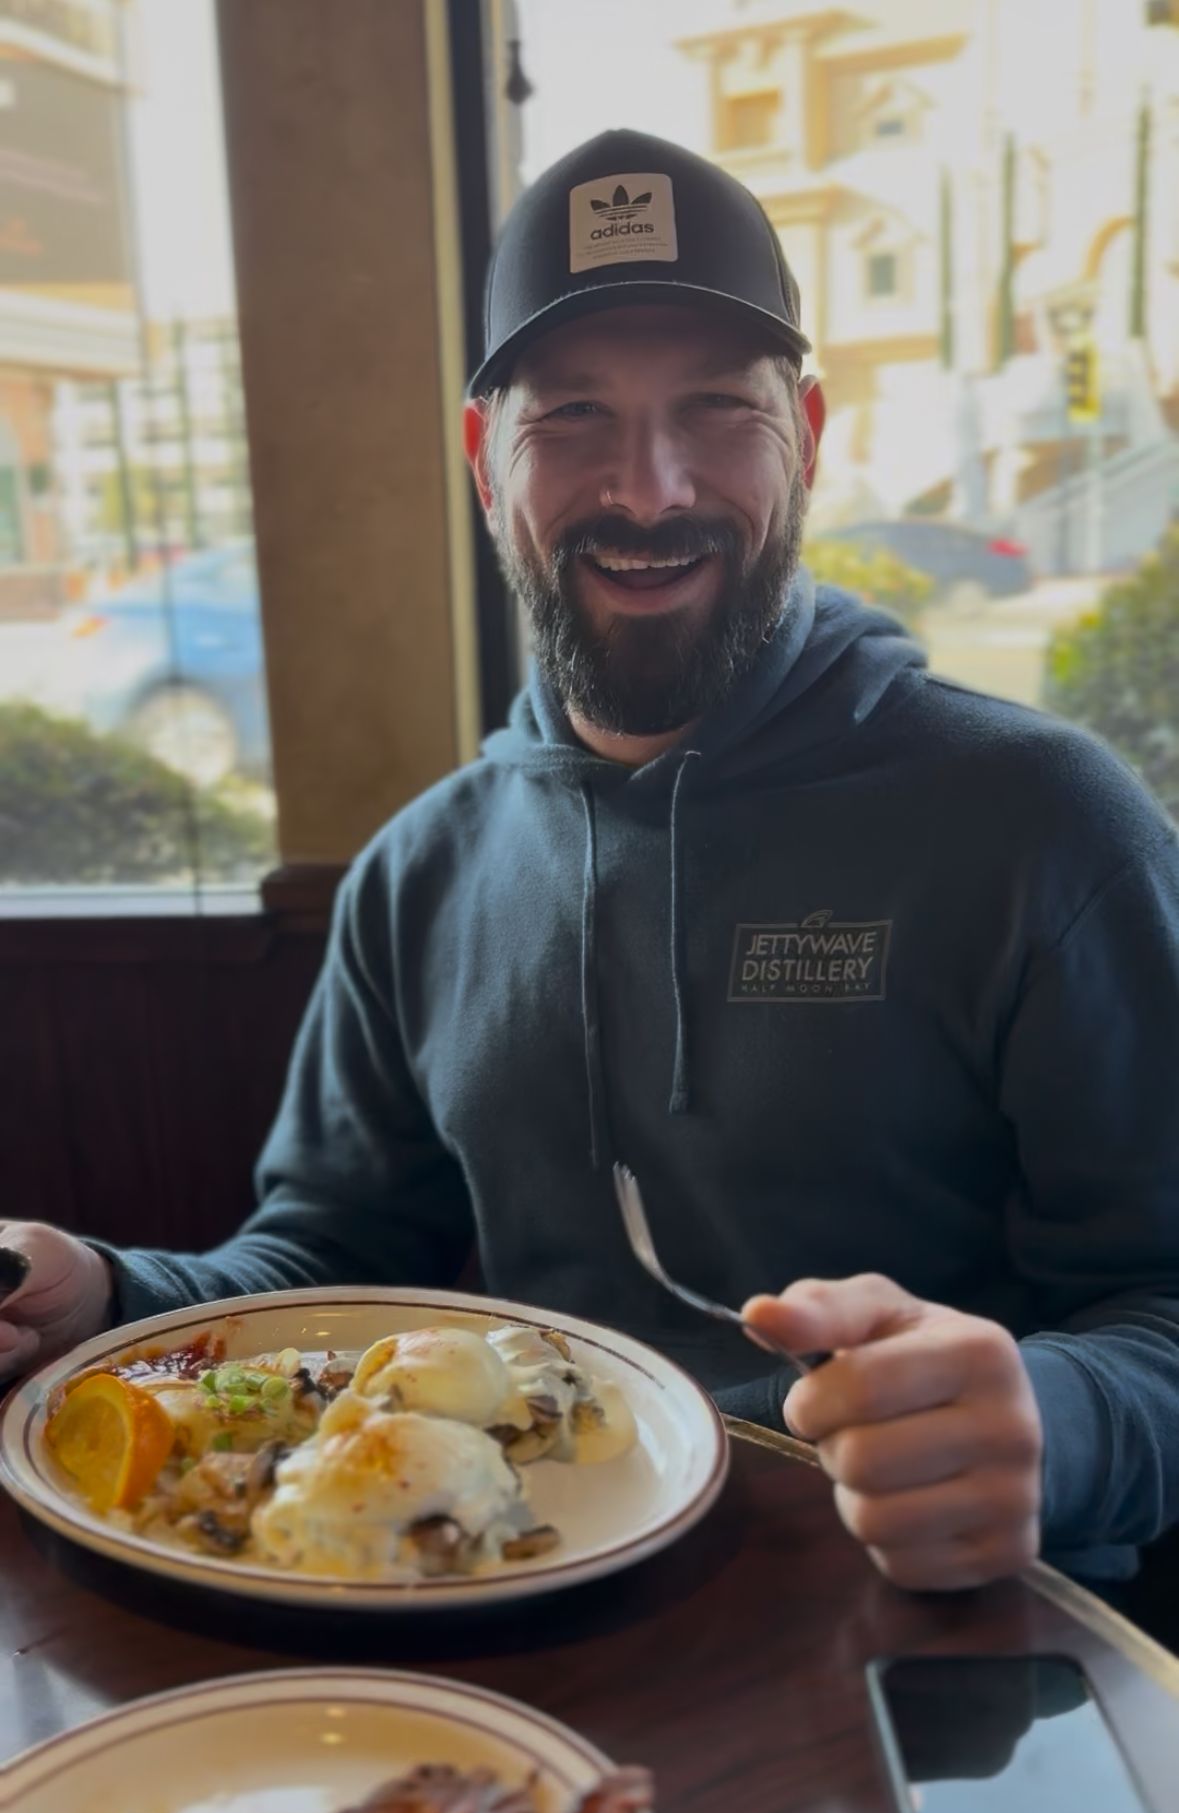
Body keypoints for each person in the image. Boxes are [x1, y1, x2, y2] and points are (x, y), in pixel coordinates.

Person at [4, 131, 1179, 1593]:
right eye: (572, 418)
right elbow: (323, 1272)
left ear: (806, 434)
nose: (648, 487)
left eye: (715, 411)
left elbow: (1165, 1311)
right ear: (484, 456)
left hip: (935, 1627)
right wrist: (111, 1301)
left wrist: (1060, 1420)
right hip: (516, 1607)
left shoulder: (1044, 824)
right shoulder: (416, 874)